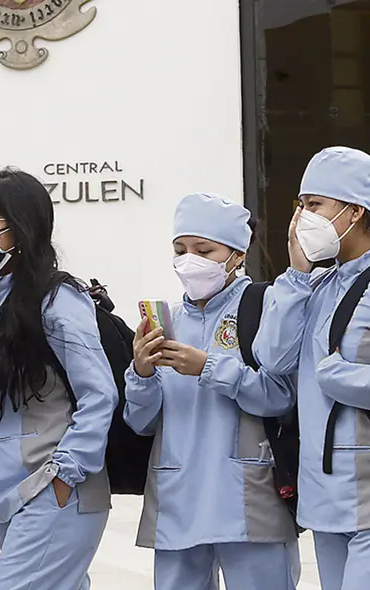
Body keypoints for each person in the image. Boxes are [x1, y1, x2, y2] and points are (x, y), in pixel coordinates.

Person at [254, 146, 370, 590]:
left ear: (354, 210)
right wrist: (295, 276)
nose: (301, 218)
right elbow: (272, 359)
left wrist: (349, 380)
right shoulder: (320, 284)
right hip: (325, 496)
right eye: (300, 205)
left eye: (314, 204)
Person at [125, 193, 297, 590]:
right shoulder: (166, 321)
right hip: (178, 497)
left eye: (204, 250)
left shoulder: (265, 308)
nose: (190, 260)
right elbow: (140, 422)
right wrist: (142, 373)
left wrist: (209, 367)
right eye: (180, 250)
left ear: (237, 255)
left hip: (247, 497)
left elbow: (280, 396)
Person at [0, 168, 116, 590]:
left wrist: (64, 475)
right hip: (11, 493)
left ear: (20, 227)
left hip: (52, 487)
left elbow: (99, 394)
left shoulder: (59, 299)